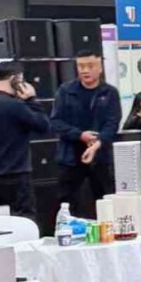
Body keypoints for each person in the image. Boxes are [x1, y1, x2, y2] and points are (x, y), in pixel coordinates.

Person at [0, 62, 51, 222]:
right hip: (16, 174)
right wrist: (32, 99)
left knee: (0, 223)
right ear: (15, 80)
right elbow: (44, 126)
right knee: (24, 221)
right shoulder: (15, 106)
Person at [48, 50, 121, 220]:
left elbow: (112, 123)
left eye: (90, 66)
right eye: (81, 66)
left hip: (101, 156)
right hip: (70, 157)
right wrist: (80, 135)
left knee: (106, 201)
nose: (85, 70)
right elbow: (56, 122)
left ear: (100, 67)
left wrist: (97, 142)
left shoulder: (110, 93)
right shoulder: (65, 91)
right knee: (66, 202)